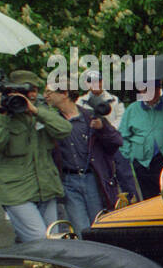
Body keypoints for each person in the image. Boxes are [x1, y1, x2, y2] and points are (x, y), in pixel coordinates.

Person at [0, 70, 72, 243]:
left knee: (54, 238)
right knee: (39, 240)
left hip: (46, 187)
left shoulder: (41, 111)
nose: (33, 94)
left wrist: (36, 111)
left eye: (35, 89)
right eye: (28, 90)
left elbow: (65, 130)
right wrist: (1, 114)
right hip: (16, 192)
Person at [43, 81, 128, 232]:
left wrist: (102, 129)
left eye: (50, 92)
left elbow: (117, 141)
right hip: (69, 180)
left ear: (65, 94)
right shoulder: (53, 122)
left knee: (98, 224)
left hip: (92, 178)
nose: (45, 96)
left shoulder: (90, 117)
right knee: (80, 228)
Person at [120, 81, 163, 198]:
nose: (152, 94)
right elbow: (122, 136)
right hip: (143, 163)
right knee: (149, 199)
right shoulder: (132, 109)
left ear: (159, 90)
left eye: (155, 90)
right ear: (141, 91)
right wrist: (131, 156)